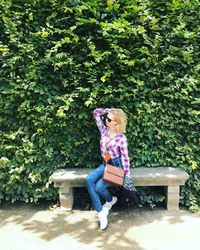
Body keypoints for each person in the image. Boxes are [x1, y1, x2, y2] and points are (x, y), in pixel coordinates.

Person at [86, 108, 130, 230]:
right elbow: (95, 113)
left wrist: (127, 175)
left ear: (116, 122)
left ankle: (110, 201)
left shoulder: (121, 138)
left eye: (109, 119)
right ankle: (101, 213)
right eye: (106, 118)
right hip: (106, 162)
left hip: (116, 166)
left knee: (99, 187)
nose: (106, 120)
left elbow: (125, 157)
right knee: (89, 179)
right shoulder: (103, 131)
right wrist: (109, 110)